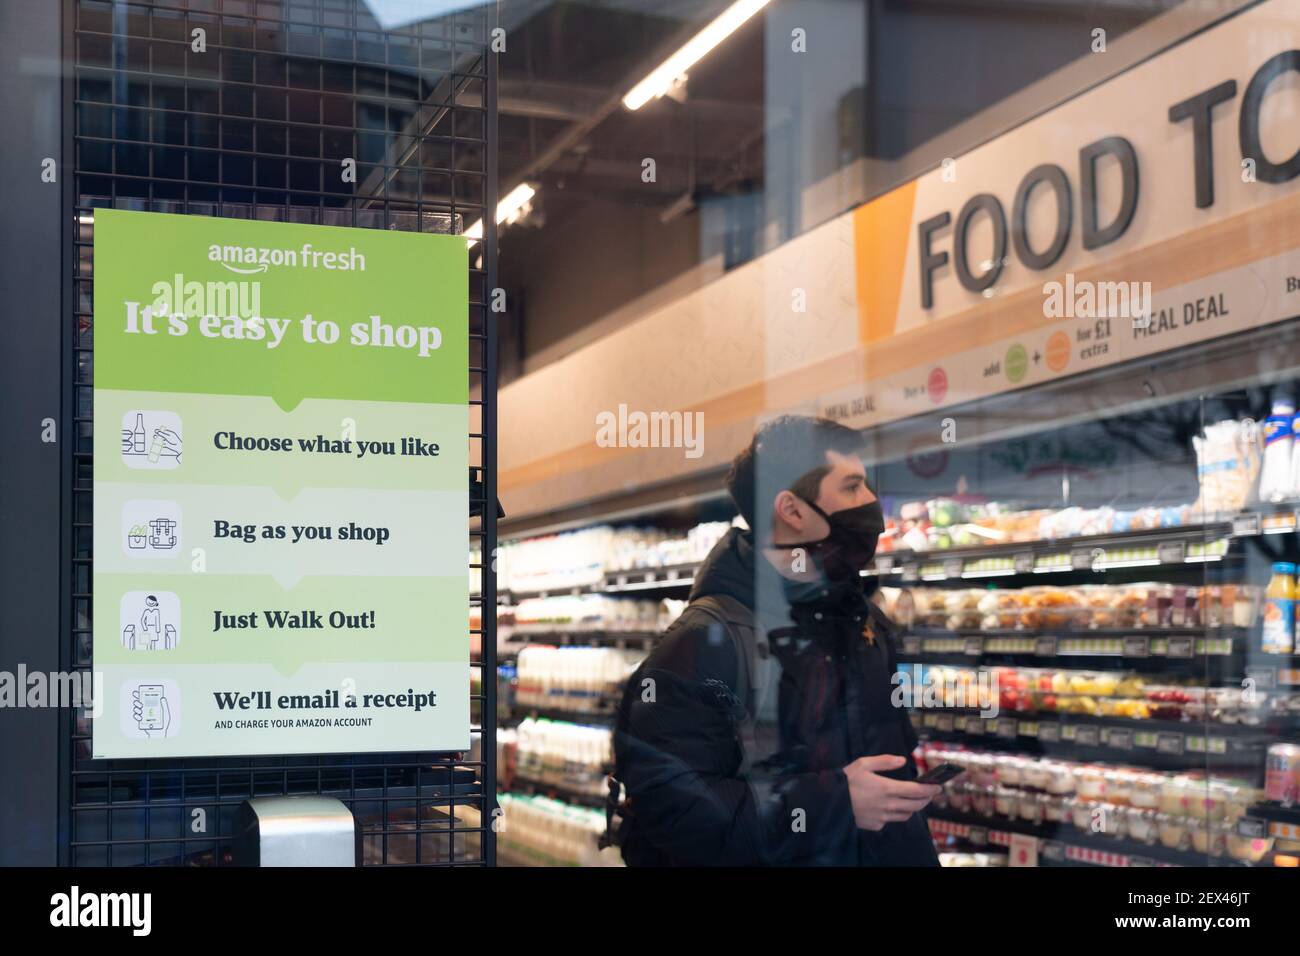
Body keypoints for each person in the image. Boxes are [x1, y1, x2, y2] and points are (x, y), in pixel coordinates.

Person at [607, 415, 942, 865]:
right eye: (852, 487)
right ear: (792, 509)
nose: (871, 502)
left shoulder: (865, 624)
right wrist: (835, 804)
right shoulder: (705, 643)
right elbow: (674, 809)